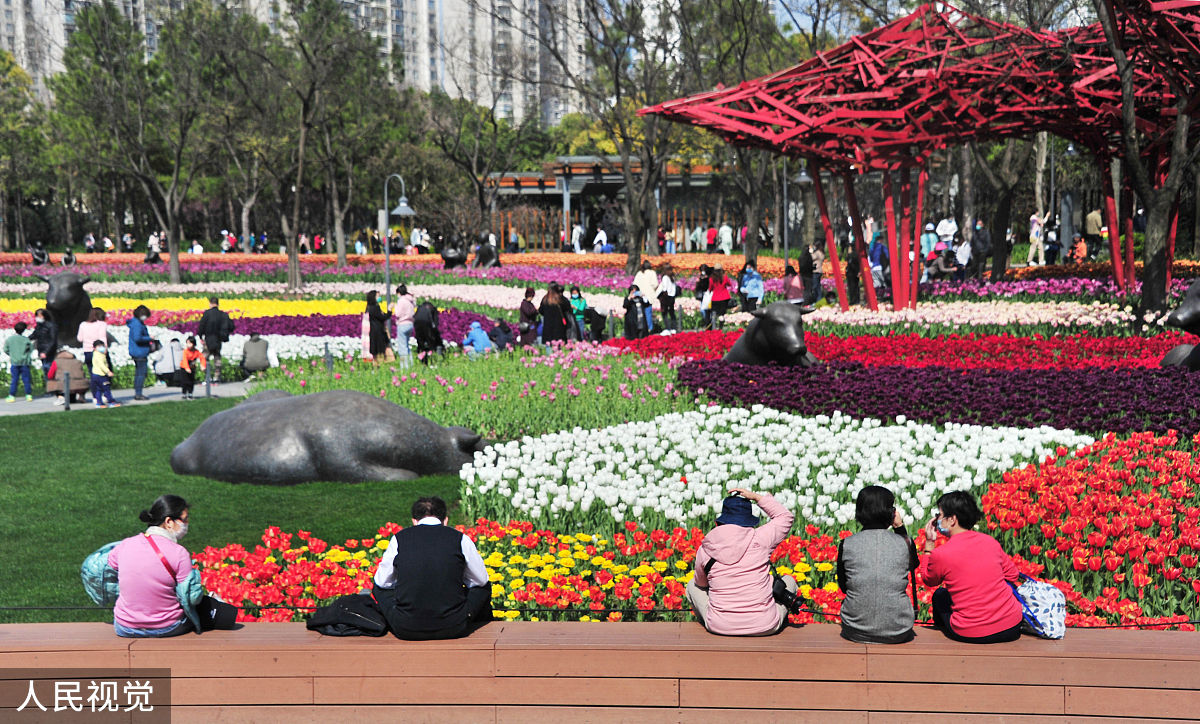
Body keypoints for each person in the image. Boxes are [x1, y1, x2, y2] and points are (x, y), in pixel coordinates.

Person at [108, 495, 236, 637]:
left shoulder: (125, 545)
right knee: (210, 607)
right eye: (185, 519)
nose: (187, 523)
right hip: (167, 627)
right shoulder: (179, 553)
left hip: (124, 627)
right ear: (169, 522)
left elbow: (109, 570)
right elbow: (191, 598)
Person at [372, 496, 492, 640]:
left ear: (414, 521)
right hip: (454, 626)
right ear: (445, 520)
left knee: (378, 588)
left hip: (406, 627)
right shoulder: (460, 538)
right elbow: (481, 580)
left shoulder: (399, 539)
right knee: (483, 587)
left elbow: (382, 582)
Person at [687, 488, 799, 636]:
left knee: (691, 586)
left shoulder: (707, 547)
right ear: (749, 520)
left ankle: (720, 619)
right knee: (789, 580)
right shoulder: (761, 538)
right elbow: (785, 517)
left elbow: (701, 584)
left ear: (719, 521)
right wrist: (756, 497)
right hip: (765, 625)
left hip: (720, 626)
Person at [920, 491, 1022, 644]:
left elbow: (929, 579)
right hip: (1011, 626)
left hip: (971, 631)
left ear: (952, 519)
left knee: (940, 596)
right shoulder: (990, 542)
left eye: (939, 515)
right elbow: (1012, 575)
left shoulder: (942, 553)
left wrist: (929, 545)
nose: (936, 520)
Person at [837, 486, 919, 644]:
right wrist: (899, 527)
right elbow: (913, 565)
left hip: (855, 630)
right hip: (899, 630)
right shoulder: (904, 543)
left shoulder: (847, 544)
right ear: (891, 513)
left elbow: (844, 586)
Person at [197, 297, 234, 381]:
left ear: (210, 303)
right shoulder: (222, 314)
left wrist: (200, 336)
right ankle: (217, 376)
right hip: (218, 340)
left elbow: (201, 325)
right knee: (217, 357)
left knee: (204, 357)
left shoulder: (207, 313)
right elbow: (231, 326)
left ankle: (207, 376)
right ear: (218, 304)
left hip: (208, 340)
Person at [127, 304, 152, 401]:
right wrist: (150, 338)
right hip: (139, 352)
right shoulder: (137, 324)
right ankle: (138, 393)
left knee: (139, 373)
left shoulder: (135, 323)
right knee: (141, 373)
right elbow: (137, 338)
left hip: (137, 351)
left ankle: (138, 392)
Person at [5, 321, 33, 402]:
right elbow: (30, 349)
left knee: (14, 380)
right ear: (24, 330)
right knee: (26, 379)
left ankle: (12, 396)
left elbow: (5, 349)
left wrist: (12, 354)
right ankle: (28, 395)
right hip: (24, 363)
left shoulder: (10, 339)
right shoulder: (26, 339)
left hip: (14, 362)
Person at [30, 309, 58, 388]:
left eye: (39, 316)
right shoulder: (39, 326)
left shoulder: (51, 326)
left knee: (49, 369)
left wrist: (46, 352)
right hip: (41, 350)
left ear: (44, 316)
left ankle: (52, 387)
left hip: (48, 351)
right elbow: (34, 335)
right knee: (45, 369)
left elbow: (53, 340)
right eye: (37, 316)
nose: (38, 318)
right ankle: (49, 388)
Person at [77, 307, 109, 374]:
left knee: (91, 372)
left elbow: (80, 339)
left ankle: (93, 384)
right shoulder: (102, 324)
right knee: (102, 372)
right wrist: (105, 349)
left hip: (87, 351)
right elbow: (102, 338)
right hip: (99, 351)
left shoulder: (83, 324)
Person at [90, 340, 119, 408]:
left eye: (102, 346)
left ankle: (99, 403)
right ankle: (111, 402)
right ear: (94, 348)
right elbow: (101, 365)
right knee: (106, 389)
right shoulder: (99, 355)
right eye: (99, 346)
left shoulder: (96, 354)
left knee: (99, 389)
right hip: (101, 375)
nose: (101, 348)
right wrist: (108, 371)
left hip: (95, 374)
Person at [364, 291, 392, 362]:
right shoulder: (375, 308)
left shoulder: (369, 307)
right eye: (377, 296)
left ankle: (376, 365)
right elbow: (383, 317)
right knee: (380, 351)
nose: (379, 298)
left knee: (375, 352)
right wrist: (389, 310)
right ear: (373, 297)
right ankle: (380, 364)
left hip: (373, 331)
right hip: (378, 332)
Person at [393, 284, 416, 363]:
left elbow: (398, 314)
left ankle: (404, 367)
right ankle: (411, 363)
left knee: (402, 347)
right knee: (406, 346)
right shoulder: (410, 300)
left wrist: (394, 307)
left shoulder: (401, 301)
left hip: (402, 324)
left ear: (399, 293)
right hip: (410, 324)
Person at [178, 336, 206, 400]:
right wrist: (187, 368)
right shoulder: (185, 351)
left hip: (192, 367)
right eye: (187, 343)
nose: (188, 345)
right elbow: (184, 360)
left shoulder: (196, 351)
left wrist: (203, 365)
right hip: (184, 368)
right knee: (184, 381)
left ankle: (190, 393)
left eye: (190, 343)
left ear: (193, 344)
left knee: (191, 381)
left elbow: (202, 358)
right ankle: (184, 393)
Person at [633, 262, 657, 332]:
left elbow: (634, 285)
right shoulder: (652, 273)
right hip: (649, 296)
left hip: (640, 296)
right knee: (648, 313)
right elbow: (655, 284)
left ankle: (641, 328)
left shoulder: (639, 273)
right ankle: (649, 328)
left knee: (640, 313)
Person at [708, 265, 734, 329]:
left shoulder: (712, 278)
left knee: (714, 313)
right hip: (724, 297)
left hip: (715, 298)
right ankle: (721, 327)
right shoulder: (724, 277)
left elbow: (710, 288)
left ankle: (713, 326)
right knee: (722, 313)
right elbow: (729, 284)